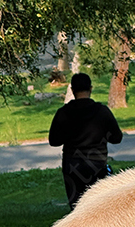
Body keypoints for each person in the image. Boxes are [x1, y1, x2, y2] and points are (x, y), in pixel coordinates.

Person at [49, 73, 123, 210]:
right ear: (91, 88)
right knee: (99, 206)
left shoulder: (63, 113)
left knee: (77, 208)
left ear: (72, 90)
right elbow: (117, 138)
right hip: (97, 165)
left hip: (72, 166)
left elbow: (54, 141)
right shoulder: (102, 112)